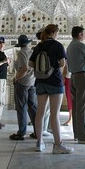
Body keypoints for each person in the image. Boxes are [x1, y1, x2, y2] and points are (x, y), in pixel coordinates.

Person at [28, 24, 73, 154]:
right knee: (54, 114)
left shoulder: (39, 46)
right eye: (57, 33)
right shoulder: (58, 45)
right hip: (55, 81)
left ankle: (39, 142)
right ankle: (58, 145)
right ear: (54, 33)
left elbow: (30, 64)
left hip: (40, 82)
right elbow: (62, 63)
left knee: (40, 113)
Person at [9, 34, 37, 140]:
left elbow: (24, 69)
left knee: (21, 108)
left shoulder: (21, 53)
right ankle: (37, 131)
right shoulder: (32, 52)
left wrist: (16, 78)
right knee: (33, 108)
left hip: (23, 83)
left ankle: (22, 132)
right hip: (33, 83)